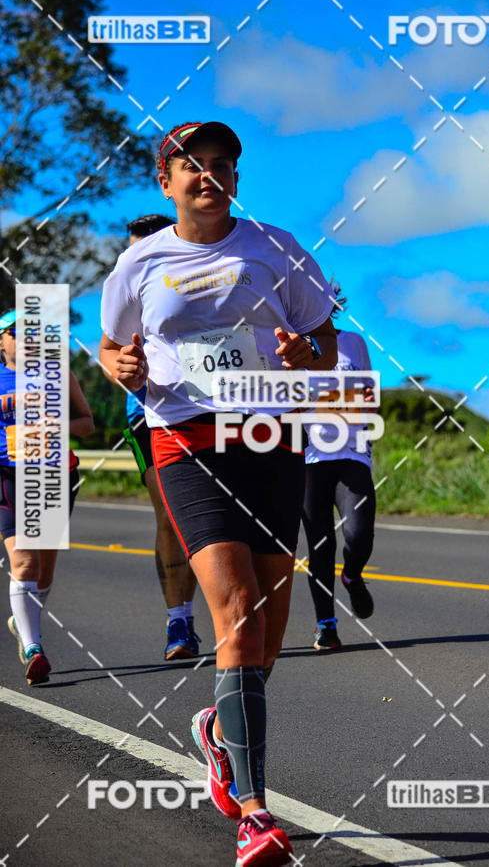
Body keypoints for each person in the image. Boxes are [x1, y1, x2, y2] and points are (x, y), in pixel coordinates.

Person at [99, 120, 337, 867]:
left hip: (270, 439)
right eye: (193, 165)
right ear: (166, 180)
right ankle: (255, 814)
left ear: (236, 177)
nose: (209, 175)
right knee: (235, 612)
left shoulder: (276, 248)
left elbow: (324, 343)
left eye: (223, 164)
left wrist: (304, 353)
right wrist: (121, 368)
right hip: (186, 441)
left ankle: (218, 729)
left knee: (265, 634)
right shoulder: (139, 262)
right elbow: (111, 347)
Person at [1, 309, 94, 684]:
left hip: (54, 474)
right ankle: (33, 648)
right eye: (15, 332)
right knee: (24, 563)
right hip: (8, 475)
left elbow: (86, 423)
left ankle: (24, 622)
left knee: (44, 571)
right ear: (1, 341)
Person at [123, 213, 200, 660]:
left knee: (215, 520)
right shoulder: (125, 289)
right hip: (148, 415)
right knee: (170, 517)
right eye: (131, 250)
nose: (136, 259)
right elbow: (109, 348)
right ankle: (179, 621)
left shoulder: (195, 277)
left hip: (209, 410)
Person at [302, 287, 377, 651]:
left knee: (359, 534)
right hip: (309, 458)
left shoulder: (353, 343)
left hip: (353, 452)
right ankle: (326, 626)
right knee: (320, 545)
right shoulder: (290, 347)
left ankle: (352, 575)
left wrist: (361, 400)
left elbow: (370, 401)